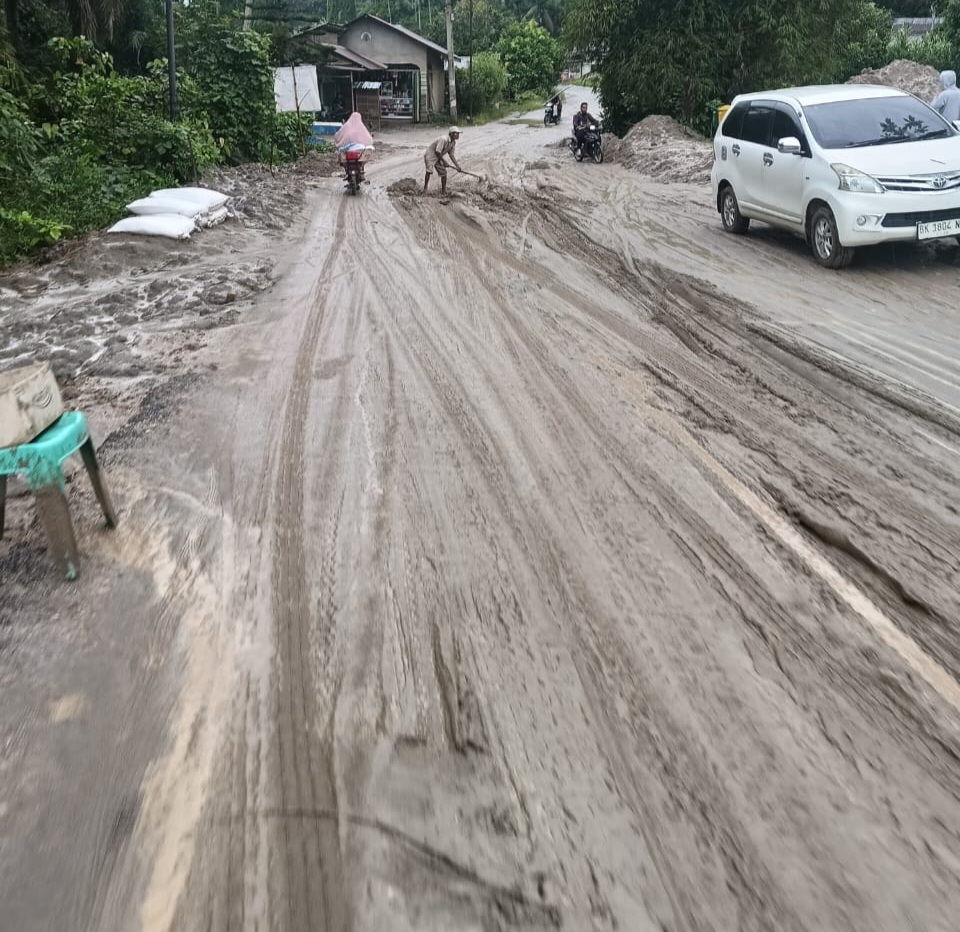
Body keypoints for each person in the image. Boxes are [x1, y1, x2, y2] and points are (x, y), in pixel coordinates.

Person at [423, 127, 462, 195]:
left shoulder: (453, 143)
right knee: (429, 171)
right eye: (457, 133)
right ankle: (425, 189)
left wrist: (458, 166)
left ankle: (443, 191)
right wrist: (444, 162)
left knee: (444, 172)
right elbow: (437, 152)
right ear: (452, 134)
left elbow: (451, 155)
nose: (458, 135)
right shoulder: (443, 139)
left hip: (438, 157)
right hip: (430, 155)